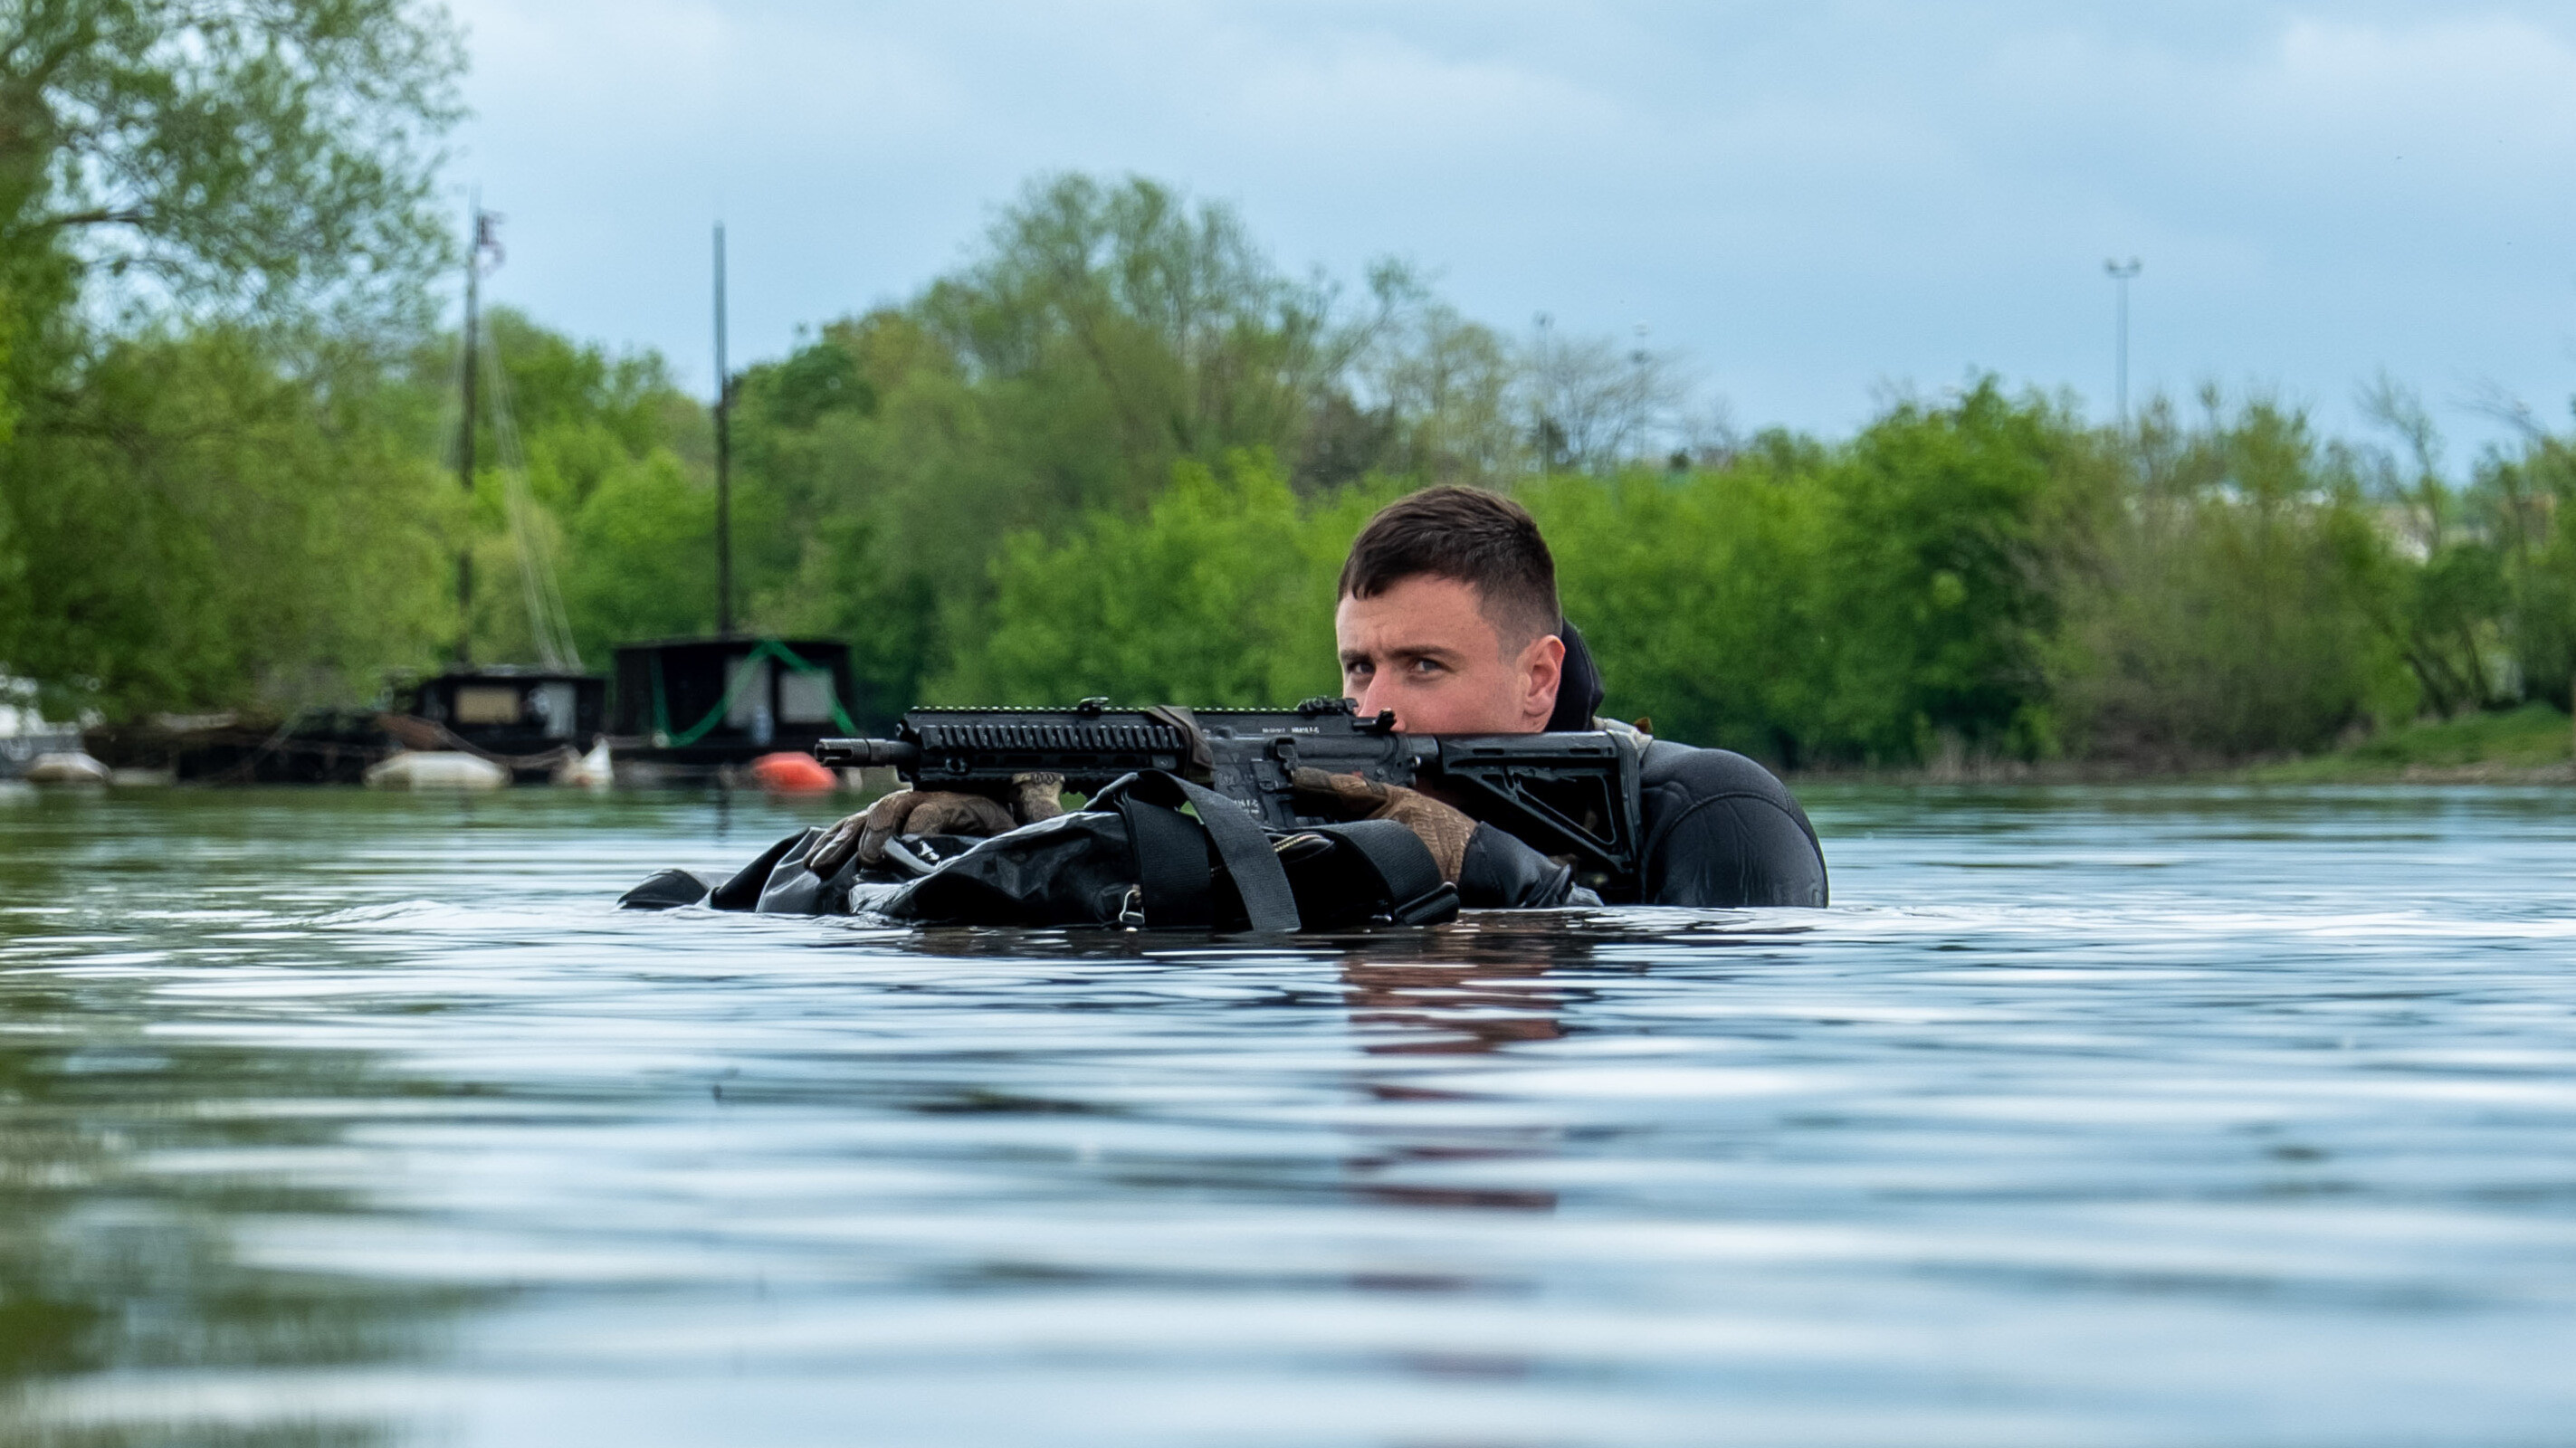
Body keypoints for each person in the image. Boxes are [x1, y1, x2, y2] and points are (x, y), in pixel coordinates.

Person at [814, 485, 1827, 908]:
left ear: (1538, 679)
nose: (1374, 704)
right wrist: (1016, 832)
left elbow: (1713, 1028)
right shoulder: (1340, 801)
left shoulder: (1714, 817)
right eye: (1357, 667)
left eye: (1422, 667)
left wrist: (1477, 862)